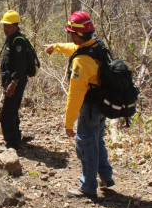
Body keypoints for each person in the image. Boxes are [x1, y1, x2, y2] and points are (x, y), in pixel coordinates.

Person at [45, 11, 114, 198]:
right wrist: (56, 46)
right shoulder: (96, 46)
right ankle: (106, 176)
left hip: (90, 108)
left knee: (85, 145)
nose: (70, 36)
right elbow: (73, 48)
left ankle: (88, 186)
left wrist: (69, 124)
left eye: (71, 33)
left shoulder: (81, 63)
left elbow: (75, 96)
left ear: (78, 35)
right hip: (102, 105)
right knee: (97, 141)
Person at [0, 10, 30, 150]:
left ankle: (13, 144)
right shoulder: (10, 39)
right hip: (10, 82)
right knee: (12, 110)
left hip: (16, 82)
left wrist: (13, 83)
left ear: (16, 26)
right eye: (4, 25)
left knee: (7, 114)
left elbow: (20, 65)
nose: (6, 28)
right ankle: (16, 137)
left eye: (8, 26)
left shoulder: (19, 42)